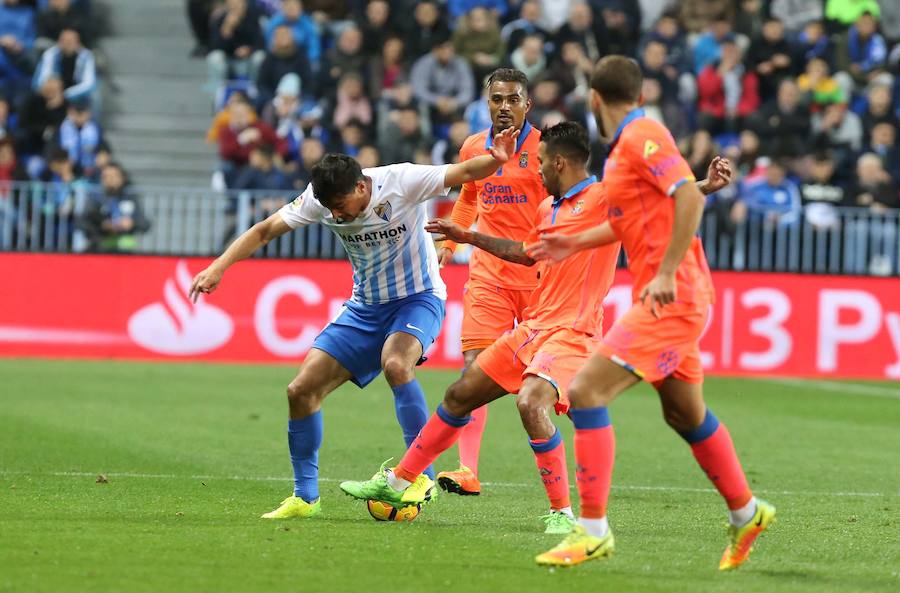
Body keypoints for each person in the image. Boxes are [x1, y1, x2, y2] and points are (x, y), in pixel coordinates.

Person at [338, 125, 733, 534]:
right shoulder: (549, 209)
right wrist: (467, 235)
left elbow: (657, 203)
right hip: (534, 328)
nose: (536, 169)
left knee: (530, 403)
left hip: (573, 333)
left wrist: (705, 185)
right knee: (460, 395)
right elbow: (526, 254)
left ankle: (562, 514)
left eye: (541, 161)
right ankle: (399, 482)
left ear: (559, 162)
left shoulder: (602, 199)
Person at [188, 128, 521, 520]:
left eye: (342, 207)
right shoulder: (321, 200)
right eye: (331, 210)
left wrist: (497, 159)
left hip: (418, 300)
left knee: (396, 364)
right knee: (300, 390)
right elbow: (264, 231)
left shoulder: (401, 181)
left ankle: (419, 477)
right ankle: (304, 497)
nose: (337, 216)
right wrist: (218, 267)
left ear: (363, 186)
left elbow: (463, 172)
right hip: (364, 309)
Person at [526, 56, 774, 569]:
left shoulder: (642, 136)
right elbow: (633, 220)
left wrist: (664, 271)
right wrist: (572, 243)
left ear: (594, 99)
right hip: (670, 298)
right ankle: (746, 512)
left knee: (585, 391)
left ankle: (592, 530)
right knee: (684, 413)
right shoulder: (622, 155)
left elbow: (686, 198)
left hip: (672, 296)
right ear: (636, 94)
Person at [428, 68, 547, 505]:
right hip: (489, 278)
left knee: (545, 385)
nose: (504, 107)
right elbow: (470, 196)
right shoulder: (474, 147)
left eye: (513, 99)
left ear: (527, 105)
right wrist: (451, 239)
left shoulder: (546, 150)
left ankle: (572, 478)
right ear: (486, 102)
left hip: (539, 280)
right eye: (497, 99)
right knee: (475, 370)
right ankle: (468, 470)